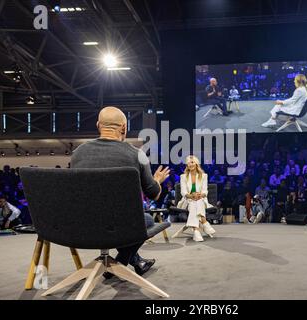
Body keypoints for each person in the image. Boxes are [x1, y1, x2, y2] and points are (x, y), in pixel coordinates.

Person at [70, 106, 170, 276]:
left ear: (98, 125)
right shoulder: (136, 154)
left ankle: (137, 260)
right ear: (124, 127)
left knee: (128, 221)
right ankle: (119, 264)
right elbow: (154, 194)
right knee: (145, 220)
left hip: (82, 226)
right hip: (120, 225)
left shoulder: (77, 153)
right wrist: (158, 180)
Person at [177, 155, 216, 242]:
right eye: (188, 163)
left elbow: (205, 191)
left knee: (197, 202)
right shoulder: (183, 176)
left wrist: (200, 195)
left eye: (192, 162)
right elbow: (183, 192)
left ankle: (196, 231)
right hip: (188, 200)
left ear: (196, 163)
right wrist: (191, 196)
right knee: (193, 202)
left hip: (200, 199)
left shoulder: (203, 175)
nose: (190, 165)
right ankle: (204, 222)